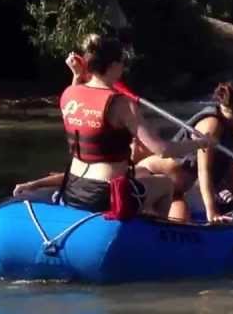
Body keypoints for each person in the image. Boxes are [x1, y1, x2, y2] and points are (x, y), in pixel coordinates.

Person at [55, 34, 212, 215]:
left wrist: (77, 75)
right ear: (113, 65)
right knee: (165, 184)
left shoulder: (69, 93)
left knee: (143, 176)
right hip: (106, 194)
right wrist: (200, 143)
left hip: (73, 188)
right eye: (122, 62)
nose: (124, 67)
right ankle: (154, 236)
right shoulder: (121, 104)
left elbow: (83, 102)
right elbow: (162, 149)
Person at [187, 80, 233, 224]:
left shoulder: (229, 125)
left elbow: (229, 166)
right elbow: (204, 170)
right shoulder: (211, 126)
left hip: (189, 186)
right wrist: (212, 211)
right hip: (177, 186)